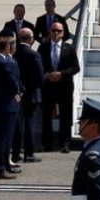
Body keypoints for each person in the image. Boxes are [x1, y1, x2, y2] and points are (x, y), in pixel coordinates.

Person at [38, 22, 80, 153]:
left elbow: (76, 67)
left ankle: (64, 143)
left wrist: (61, 74)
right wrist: (47, 75)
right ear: (50, 32)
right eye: (53, 30)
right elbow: (38, 65)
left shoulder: (69, 48)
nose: (56, 33)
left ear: (63, 33)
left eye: (59, 31)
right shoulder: (43, 47)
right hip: (48, 86)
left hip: (64, 87)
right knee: (46, 116)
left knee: (65, 116)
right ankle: (47, 144)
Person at [0, 36, 23, 179]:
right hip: (7, 105)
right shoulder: (6, 62)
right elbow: (12, 81)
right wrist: (17, 92)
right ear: (7, 47)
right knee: (4, 139)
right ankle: (0, 168)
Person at [13, 27, 44, 162]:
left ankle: (15, 153)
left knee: (18, 125)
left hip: (18, 93)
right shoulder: (34, 54)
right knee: (30, 124)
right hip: (32, 94)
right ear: (31, 40)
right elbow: (40, 77)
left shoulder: (14, 54)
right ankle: (29, 153)